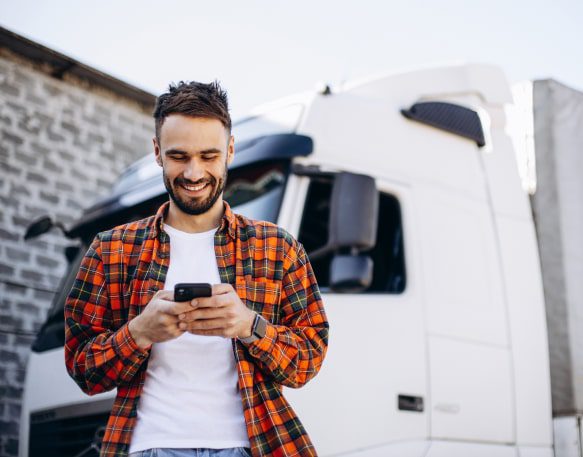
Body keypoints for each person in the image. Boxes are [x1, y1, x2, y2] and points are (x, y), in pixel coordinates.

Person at [64, 81, 329, 457]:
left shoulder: (278, 247)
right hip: (150, 448)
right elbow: (81, 367)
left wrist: (249, 326)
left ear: (230, 151)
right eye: (179, 156)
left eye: (208, 156)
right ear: (157, 152)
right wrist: (139, 332)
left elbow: (308, 359)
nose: (193, 173)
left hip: (252, 446)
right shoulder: (111, 249)